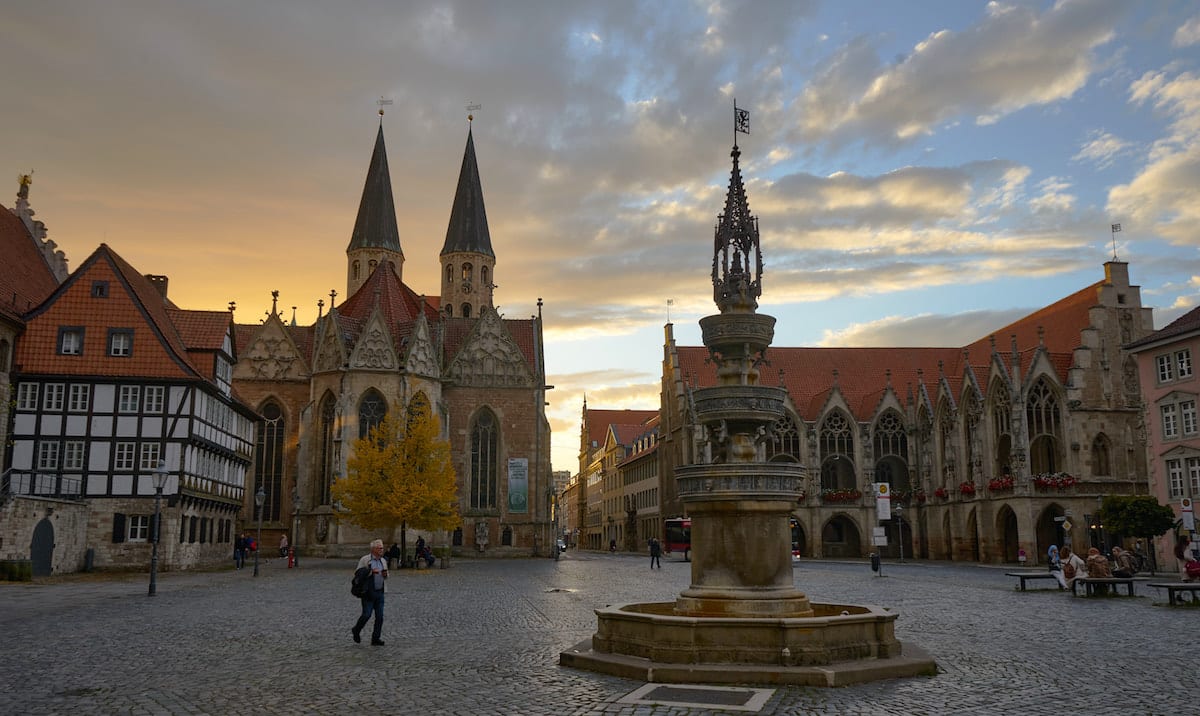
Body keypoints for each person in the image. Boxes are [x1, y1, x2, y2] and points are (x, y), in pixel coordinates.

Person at [351, 539, 388, 646]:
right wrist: (371, 571)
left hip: (380, 592)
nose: (382, 549)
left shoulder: (383, 561)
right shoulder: (365, 559)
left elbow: (386, 576)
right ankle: (356, 630)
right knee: (366, 615)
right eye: (379, 548)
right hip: (368, 592)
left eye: (382, 548)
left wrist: (385, 575)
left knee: (380, 616)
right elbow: (358, 574)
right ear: (373, 549)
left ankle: (376, 638)